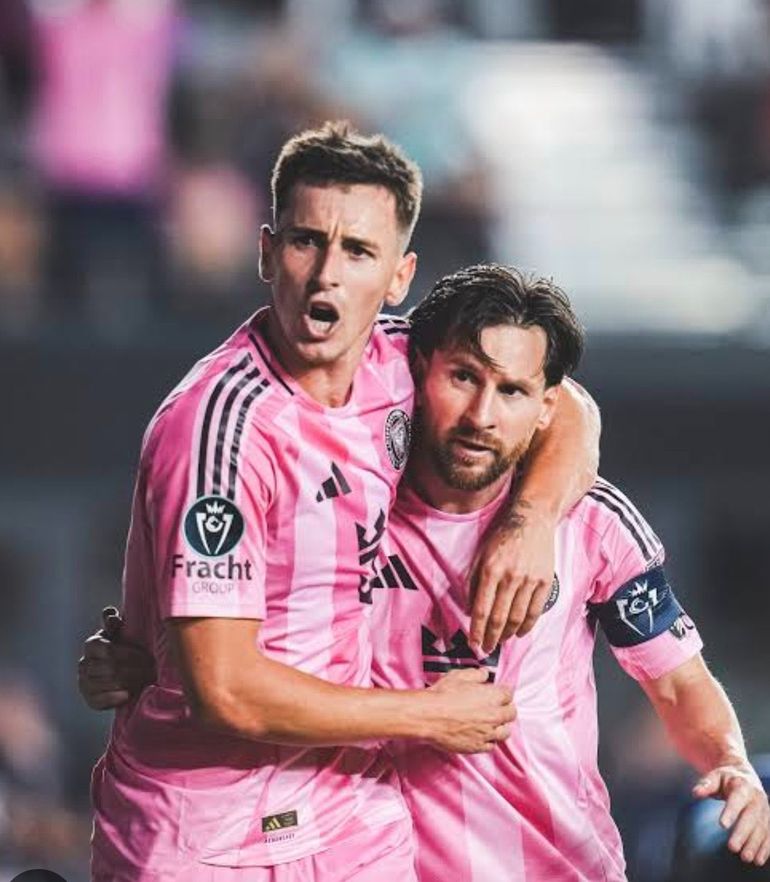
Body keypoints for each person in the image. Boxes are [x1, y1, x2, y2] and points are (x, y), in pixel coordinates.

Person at [83, 123, 600, 882]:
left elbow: (569, 405)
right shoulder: (221, 428)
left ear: (399, 276)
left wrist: (532, 522)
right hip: (211, 833)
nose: (327, 274)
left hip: (346, 813)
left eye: (358, 251)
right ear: (267, 254)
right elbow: (225, 690)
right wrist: (428, 714)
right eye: (306, 242)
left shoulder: (398, 363)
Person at [367, 263, 770, 880]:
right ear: (420, 372)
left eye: (512, 392)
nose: (482, 414)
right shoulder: (352, 505)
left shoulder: (592, 521)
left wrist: (731, 761)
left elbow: (678, 684)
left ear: (547, 406)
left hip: (560, 866)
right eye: (464, 377)